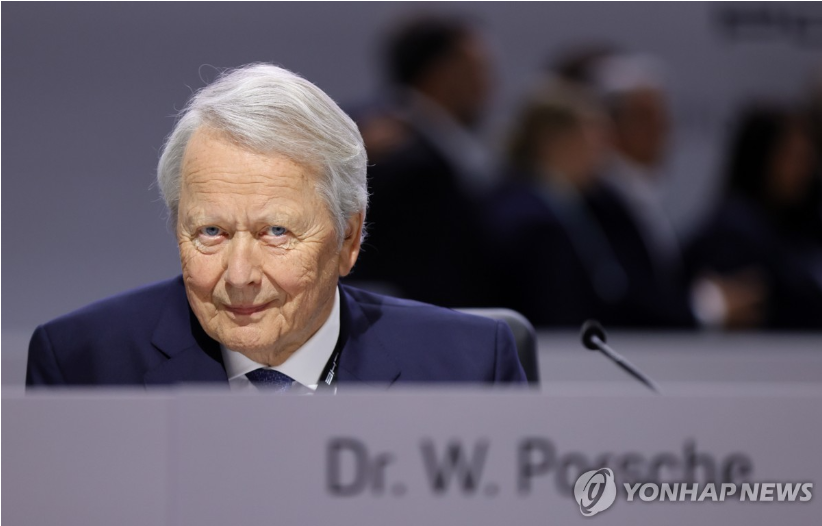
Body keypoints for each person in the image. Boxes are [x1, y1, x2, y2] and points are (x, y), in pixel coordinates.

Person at [26, 64, 526, 389]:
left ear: (349, 239)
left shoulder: (469, 368)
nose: (239, 275)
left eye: (277, 232)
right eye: (211, 232)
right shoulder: (81, 366)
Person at [350, 14, 495, 307]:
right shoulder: (404, 159)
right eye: (477, 70)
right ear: (442, 73)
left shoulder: (375, 133)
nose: (489, 85)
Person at [488, 80, 627, 326]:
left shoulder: (562, 203)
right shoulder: (530, 218)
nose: (603, 156)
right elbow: (554, 312)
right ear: (555, 141)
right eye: (594, 140)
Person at [688, 104, 822, 329]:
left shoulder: (803, 225)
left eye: (808, 157)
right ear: (761, 157)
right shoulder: (734, 232)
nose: (805, 170)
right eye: (792, 157)